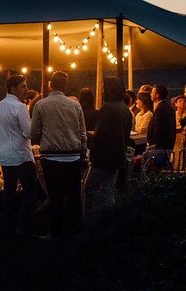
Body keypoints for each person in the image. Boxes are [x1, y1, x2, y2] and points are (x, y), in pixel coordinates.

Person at [30, 70, 87, 238]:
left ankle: (56, 233)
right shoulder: (75, 105)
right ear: (65, 86)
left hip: (51, 157)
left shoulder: (41, 105)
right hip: (73, 156)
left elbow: (34, 132)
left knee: (55, 197)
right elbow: (82, 132)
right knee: (74, 196)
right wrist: (82, 152)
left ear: (50, 85)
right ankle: (77, 230)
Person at [0, 75, 41, 236]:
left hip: (4, 156)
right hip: (21, 156)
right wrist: (37, 126)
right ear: (13, 89)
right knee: (30, 192)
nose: (26, 89)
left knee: (9, 191)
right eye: (23, 86)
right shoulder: (20, 107)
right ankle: (21, 225)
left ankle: (8, 225)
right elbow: (28, 132)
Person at [83, 76, 131, 222]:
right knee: (109, 189)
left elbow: (100, 134)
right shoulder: (125, 109)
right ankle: (109, 219)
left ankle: (98, 214)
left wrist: (91, 147)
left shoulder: (107, 108)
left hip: (104, 158)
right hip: (118, 157)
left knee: (89, 187)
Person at [146, 83, 176, 169]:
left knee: (154, 171)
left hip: (160, 149)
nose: (150, 94)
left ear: (157, 95)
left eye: (152, 92)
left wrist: (152, 144)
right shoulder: (169, 108)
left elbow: (158, 130)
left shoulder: (160, 109)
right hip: (168, 146)